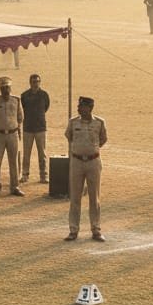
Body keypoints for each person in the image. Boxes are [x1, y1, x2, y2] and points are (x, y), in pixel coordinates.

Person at [64, 96, 107, 241]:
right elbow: (69, 137)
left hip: (93, 162)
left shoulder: (99, 123)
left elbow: (103, 139)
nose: (78, 108)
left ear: (89, 108)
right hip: (76, 162)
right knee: (75, 197)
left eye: (82, 106)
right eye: (78, 106)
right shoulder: (73, 122)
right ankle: (73, 229)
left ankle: (96, 229)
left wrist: (90, 150)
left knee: (94, 198)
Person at [0, 76, 24, 197]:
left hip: (13, 134)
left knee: (14, 161)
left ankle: (15, 186)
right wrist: (0, 126)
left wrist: (13, 126)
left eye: (7, 87)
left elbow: (20, 117)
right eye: (3, 88)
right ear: (0, 89)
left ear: (10, 88)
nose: (5, 90)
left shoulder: (16, 100)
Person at [20, 73, 50, 185]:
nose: (35, 83)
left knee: (42, 153)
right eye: (33, 81)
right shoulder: (24, 95)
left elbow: (46, 107)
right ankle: (25, 174)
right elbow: (22, 109)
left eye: (37, 81)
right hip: (28, 127)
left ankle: (43, 175)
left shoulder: (44, 95)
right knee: (26, 153)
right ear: (30, 82)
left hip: (41, 128)